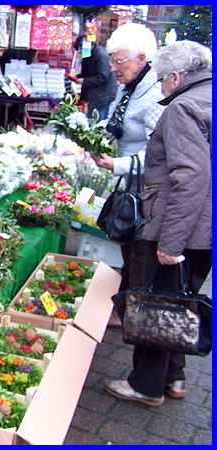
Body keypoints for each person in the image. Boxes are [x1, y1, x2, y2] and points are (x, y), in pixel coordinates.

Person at [104, 40, 212, 407]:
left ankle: (146, 385)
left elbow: (190, 176)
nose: (161, 86)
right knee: (181, 301)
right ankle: (175, 378)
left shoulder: (182, 108)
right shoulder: (207, 97)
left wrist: (171, 243)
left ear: (178, 76)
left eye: (164, 79)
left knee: (157, 304)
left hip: (178, 230)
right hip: (203, 232)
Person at [93, 23, 165, 292]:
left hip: (147, 190)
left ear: (142, 59)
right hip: (129, 184)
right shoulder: (130, 87)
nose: (113, 68)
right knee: (126, 245)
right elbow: (114, 122)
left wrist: (117, 164)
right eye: (112, 61)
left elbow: (159, 154)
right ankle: (123, 302)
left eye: (119, 61)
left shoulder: (155, 94)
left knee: (140, 252)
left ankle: (132, 309)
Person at [72, 35, 118, 120]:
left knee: (97, 121)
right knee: (91, 118)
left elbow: (103, 76)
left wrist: (84, 81)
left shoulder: (101, 55)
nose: (80, 52)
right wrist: (77, 77)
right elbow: (86, 73)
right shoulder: (87, 54)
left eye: (81, 49)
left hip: (103, 95)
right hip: (94, 94)